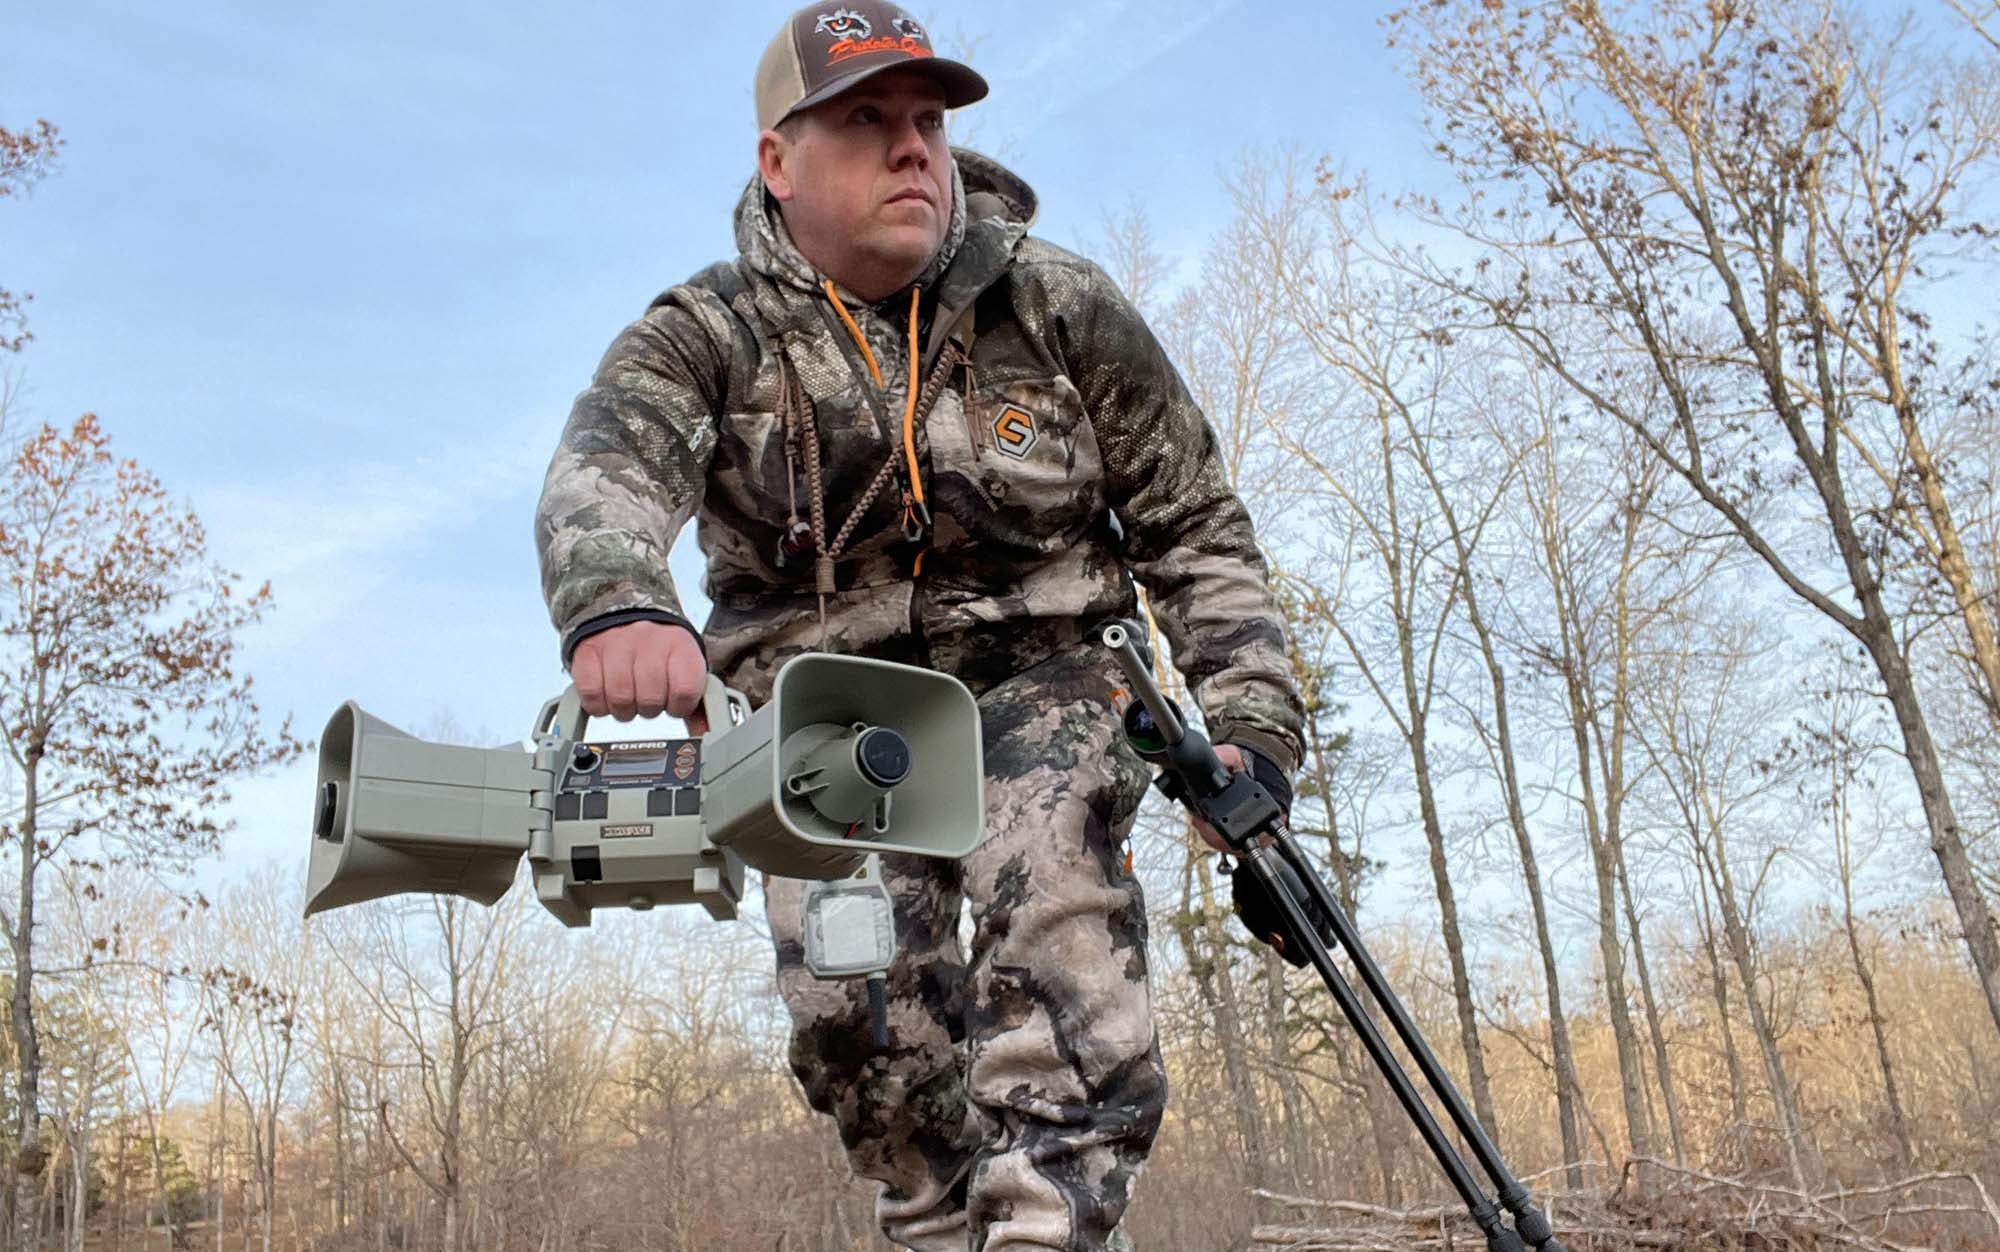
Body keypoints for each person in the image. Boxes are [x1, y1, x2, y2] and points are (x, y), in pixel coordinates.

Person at [533, 4, 1306, 1247]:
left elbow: (1195, 527)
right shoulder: (707, 334)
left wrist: (1254, 746)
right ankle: (940, 1223)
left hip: (1044, 684)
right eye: (866, 120)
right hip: (824, 719)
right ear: (778, 163)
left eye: (929, 122)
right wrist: (620, 602)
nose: (913, 150)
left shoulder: (1057, 309)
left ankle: (1046, 1230)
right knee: (865, 1041)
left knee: (1055, 934)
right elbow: (604, 474)